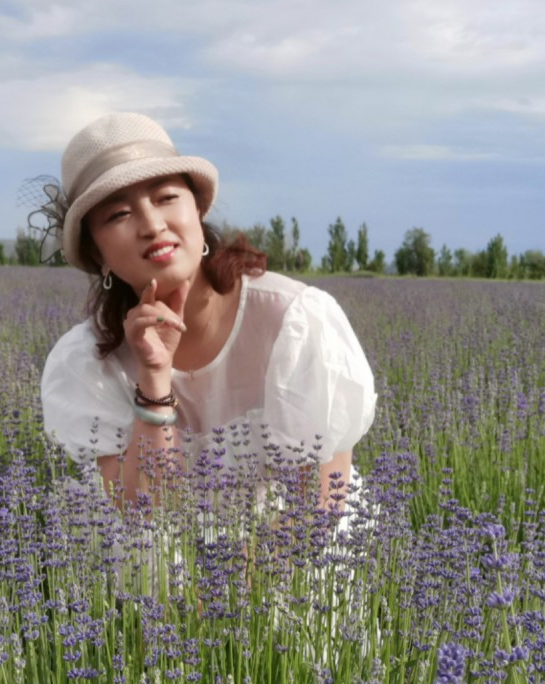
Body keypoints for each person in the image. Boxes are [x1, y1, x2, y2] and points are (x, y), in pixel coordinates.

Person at [39, 112, 377, 511]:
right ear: (98, 254)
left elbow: (320, 504)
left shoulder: (294, 321)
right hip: (166, 546)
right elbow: (139, 514)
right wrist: (153, 379)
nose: (152, 225)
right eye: (119, 214)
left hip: (292, 539)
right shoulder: (87, 361)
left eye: (166, 198)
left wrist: (251, 555)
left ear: (198, 210)